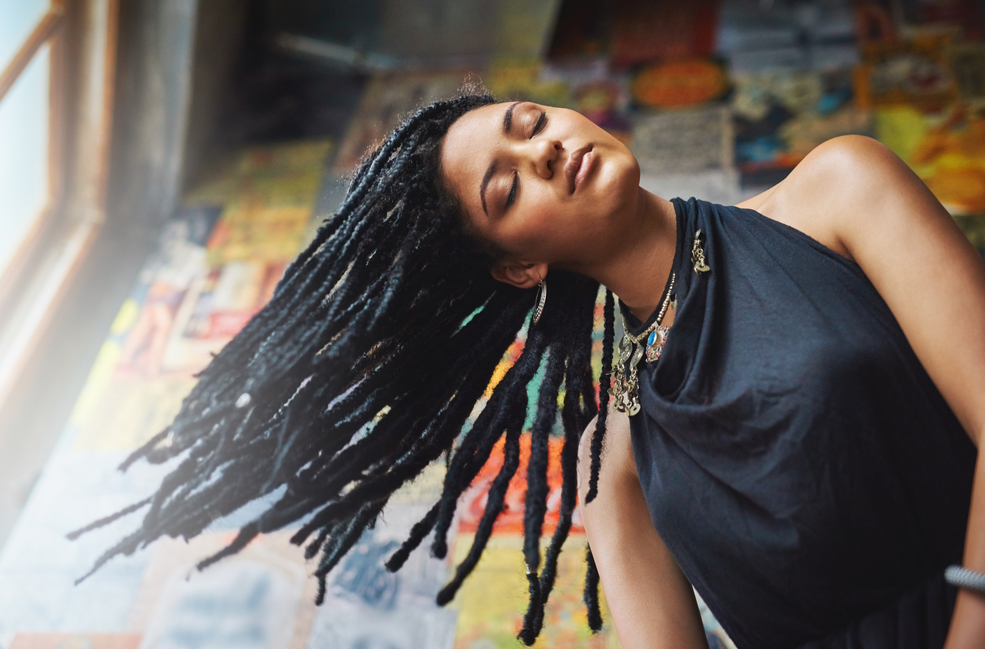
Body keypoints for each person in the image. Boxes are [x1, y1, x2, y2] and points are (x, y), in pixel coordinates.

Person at [72, 90, 985, 648]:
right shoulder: (613, 468)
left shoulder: (841, 190)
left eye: (528, 121)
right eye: (509, 186)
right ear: (519, 267)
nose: (544, 146)